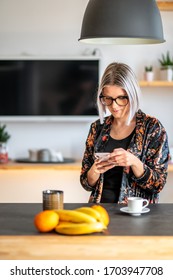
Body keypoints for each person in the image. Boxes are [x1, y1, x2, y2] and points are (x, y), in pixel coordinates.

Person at [80, 62, 170, 204]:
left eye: (121, 98)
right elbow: (86, 183)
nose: (114, 106)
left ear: (132, 94)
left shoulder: (153, 128)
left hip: (138, 215)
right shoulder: (97, 128)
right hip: (100, 212)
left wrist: (134, 162)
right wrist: (95, 170)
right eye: (108, 98)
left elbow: (158, 184)